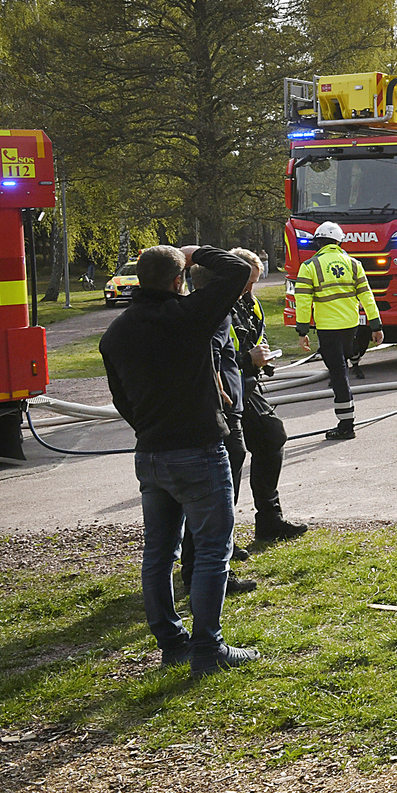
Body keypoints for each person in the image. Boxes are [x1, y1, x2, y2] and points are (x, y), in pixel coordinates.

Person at [100, 243, 261, 677]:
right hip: (199, 449)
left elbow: (121, 398)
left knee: (158, 553)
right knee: (212, 551)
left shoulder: (115, 332)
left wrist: (149, 428)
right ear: (178, 281)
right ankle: (209, 649)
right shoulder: (190, 316)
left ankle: (173, 644)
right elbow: (236, 271)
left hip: (151, 452)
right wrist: (197, 252)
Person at [177, 257, 256, 598]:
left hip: (224, 407)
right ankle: (210, 572)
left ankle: (200, 565)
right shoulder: (215, 313)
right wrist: (220, 389)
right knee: (216, 501)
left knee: (209, 499)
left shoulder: (196, 311)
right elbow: (209, 351)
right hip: (223, 412)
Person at [229, 248, 307, 542]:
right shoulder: (216, 307)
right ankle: (222, 537)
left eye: (255, 282)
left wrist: (262, 358)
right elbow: (212, 357)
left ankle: (270, 522)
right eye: (247, 282)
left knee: (271, 437)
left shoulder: (249, 303)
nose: (251, 289)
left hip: (247, 386)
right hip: (226, 391)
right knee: (232, 457)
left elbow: (253, 337)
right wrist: (247, 359)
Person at [294, 221, 382, 441]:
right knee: (341, 370)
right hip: (350, 325)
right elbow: (367, 296)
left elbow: (303, 302)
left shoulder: (309, 266)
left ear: (318, 242)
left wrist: (302, 331)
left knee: (339, 375)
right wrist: (376, 325)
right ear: (339, 241)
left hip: (328, 328)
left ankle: (346, 425)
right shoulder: (354, 264)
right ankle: (346, 420)